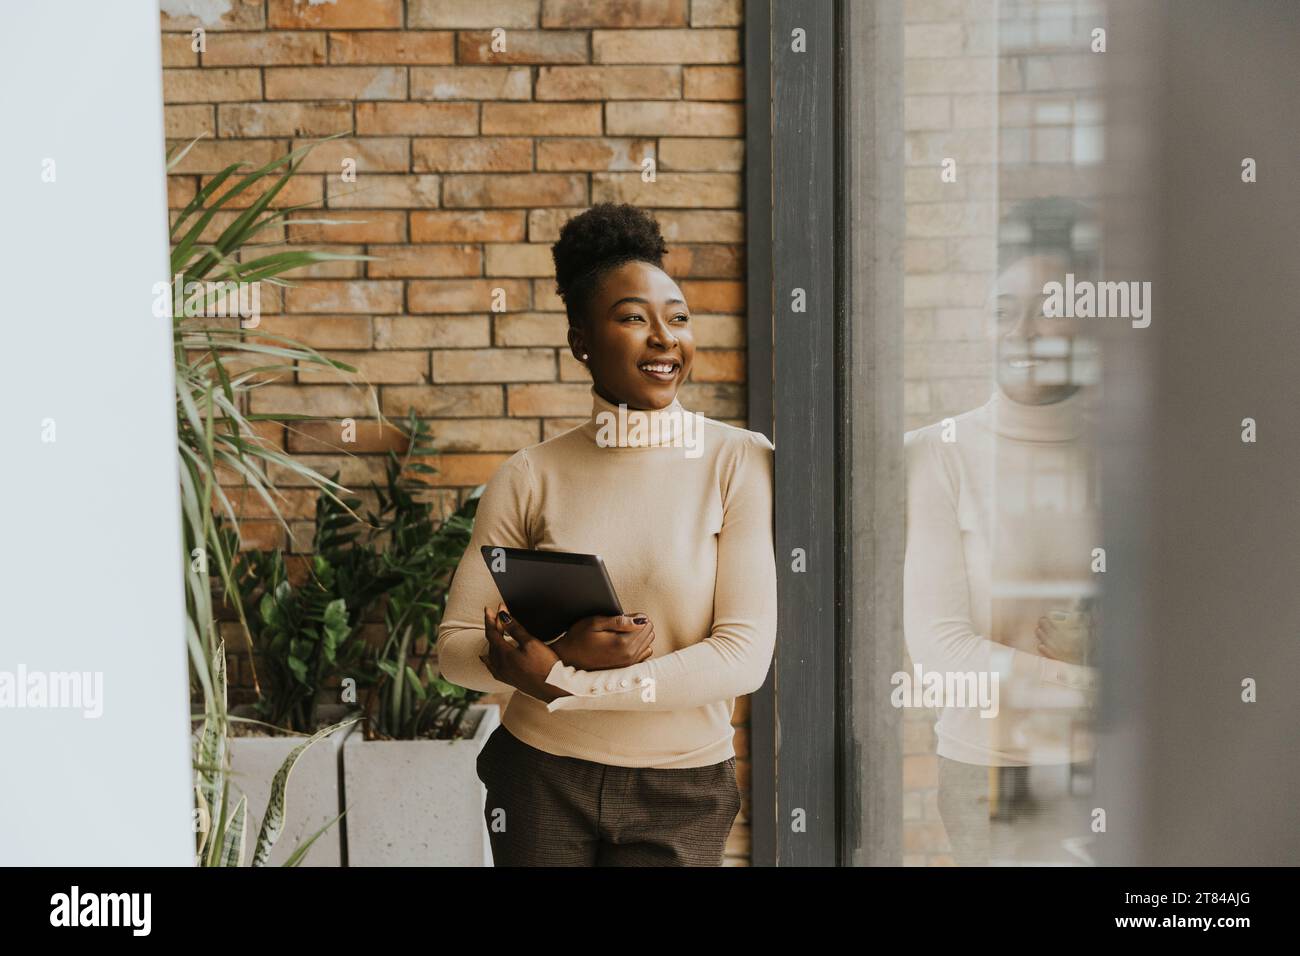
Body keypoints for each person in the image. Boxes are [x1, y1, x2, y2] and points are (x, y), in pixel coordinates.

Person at [435, 202, 778, 866]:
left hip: (680, 791)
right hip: (537, 776)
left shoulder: (738, 461)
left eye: (677, 318)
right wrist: (561, 651)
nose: (663, 338)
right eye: (632, 318)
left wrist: (566, 678)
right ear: (581, 341)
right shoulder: (530, 473)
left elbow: (742, 655)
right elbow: (453, 650)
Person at [903, 198, 1102, 865]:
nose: (1022, 331)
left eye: (1048, 305)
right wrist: (1088, 677)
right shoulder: (940, 453)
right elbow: (938, 653)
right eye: (1001, 310)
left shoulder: (1131, 454)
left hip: (1114, 771)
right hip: (986, 773)